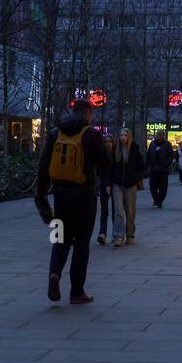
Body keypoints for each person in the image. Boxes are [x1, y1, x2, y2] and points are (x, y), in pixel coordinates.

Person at [35, 99, 110, 305]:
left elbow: (43, 169)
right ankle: (77, 291)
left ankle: (54, 275)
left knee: (59, 238)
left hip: (60, 197)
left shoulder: (54, 133)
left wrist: (41, 198)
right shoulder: (92, 135)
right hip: (84, 197)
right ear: (88, 114)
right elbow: (106, 164)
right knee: (82, 242)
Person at [109, 126, 144, 247]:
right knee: (118, 210)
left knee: (130, 211)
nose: (123, 138)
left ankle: (130, 234)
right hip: (117, 184)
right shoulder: (115, 151)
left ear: (128, 137)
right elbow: (110, 168)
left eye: (125, 135)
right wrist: (110, 182)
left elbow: (141, 167)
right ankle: (118, 236)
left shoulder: (134, 150)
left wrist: (135, 178)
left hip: (130, 185)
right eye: (121, 135)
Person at [145, 129, 174, 208]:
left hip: (163, 170)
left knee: (163, 187)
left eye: (159, 134)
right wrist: (147, 166)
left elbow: (171, 155)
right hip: (154, 169)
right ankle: (156, 200)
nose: (157, 136)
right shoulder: (152, 144)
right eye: (157, 134)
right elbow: (148, 155)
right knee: (152, 186)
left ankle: (158, 201)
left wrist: (166, 164)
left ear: (162, 136)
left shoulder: (167, 144)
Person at [96, 134, 115, 244]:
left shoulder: (116, 155)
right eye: (106, 142)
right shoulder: (101, 155)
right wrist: (106, 184)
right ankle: (102, 233)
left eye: (110, 142)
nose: (108, 144)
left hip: (115, 185)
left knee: (115, 210)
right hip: (104, 185)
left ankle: (115, 233)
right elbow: (101, 171)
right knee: (104, 211)